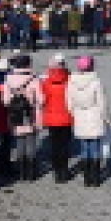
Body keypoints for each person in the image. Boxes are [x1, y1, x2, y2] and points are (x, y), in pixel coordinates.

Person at [66, 55, 108, 187]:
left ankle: (87, 178)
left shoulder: (71, 81)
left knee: (84, 148)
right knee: (95, 148)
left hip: (80, 115)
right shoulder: (96, 81)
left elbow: (69, 102)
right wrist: (106, 117)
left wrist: (75, 113)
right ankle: (95, 178)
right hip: (94, 114)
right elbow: (102, 103)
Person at [2, 54, 44, 182]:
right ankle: (31, 173)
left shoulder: (8, 80)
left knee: (19, 143)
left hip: (16, 117)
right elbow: (42, 100)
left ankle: (21, 172)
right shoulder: (34, 79)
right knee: (31, 143)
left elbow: (5, 101)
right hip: (31, 116)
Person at [41, 53, 73, 183]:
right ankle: (64, 171)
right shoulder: (69, 80)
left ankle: (57, 171)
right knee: (64, 145)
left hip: (51, 117)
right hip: (66, 117)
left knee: (54, 145)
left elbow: (43, 99)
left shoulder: (46, 81)